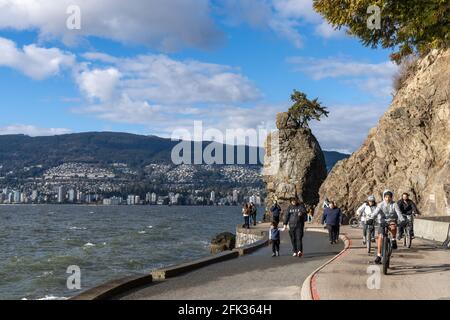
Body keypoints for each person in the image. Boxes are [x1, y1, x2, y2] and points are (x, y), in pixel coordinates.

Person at [373, 190, 405, 265]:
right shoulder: (380, 204)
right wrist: (371, 218)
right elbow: (375, 212)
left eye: (389, 197)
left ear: (391, 198)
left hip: (391, 220)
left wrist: (402, 220)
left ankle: (393, 239)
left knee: (393, 227)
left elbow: (399, 213)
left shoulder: (394, 204)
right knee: (380, 237)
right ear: (384, 197)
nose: (387, 199)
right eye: (386, 197)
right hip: (382, 222)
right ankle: (378, 256)